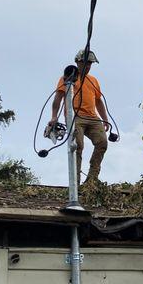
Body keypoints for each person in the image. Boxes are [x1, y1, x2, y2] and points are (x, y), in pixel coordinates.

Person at [49, 50, 109, 185]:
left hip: (93, 118)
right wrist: (54, 117)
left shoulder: (93, 80)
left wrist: (105, 119)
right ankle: (75, 182)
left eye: (90, 64)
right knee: (77, 145)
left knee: (102, 143)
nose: (87, 66)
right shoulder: (69, 77)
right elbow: (58, 98)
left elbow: (99, 101)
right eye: (85, 63)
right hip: (75, 116)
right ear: (77, 62)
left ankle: (92, 180)